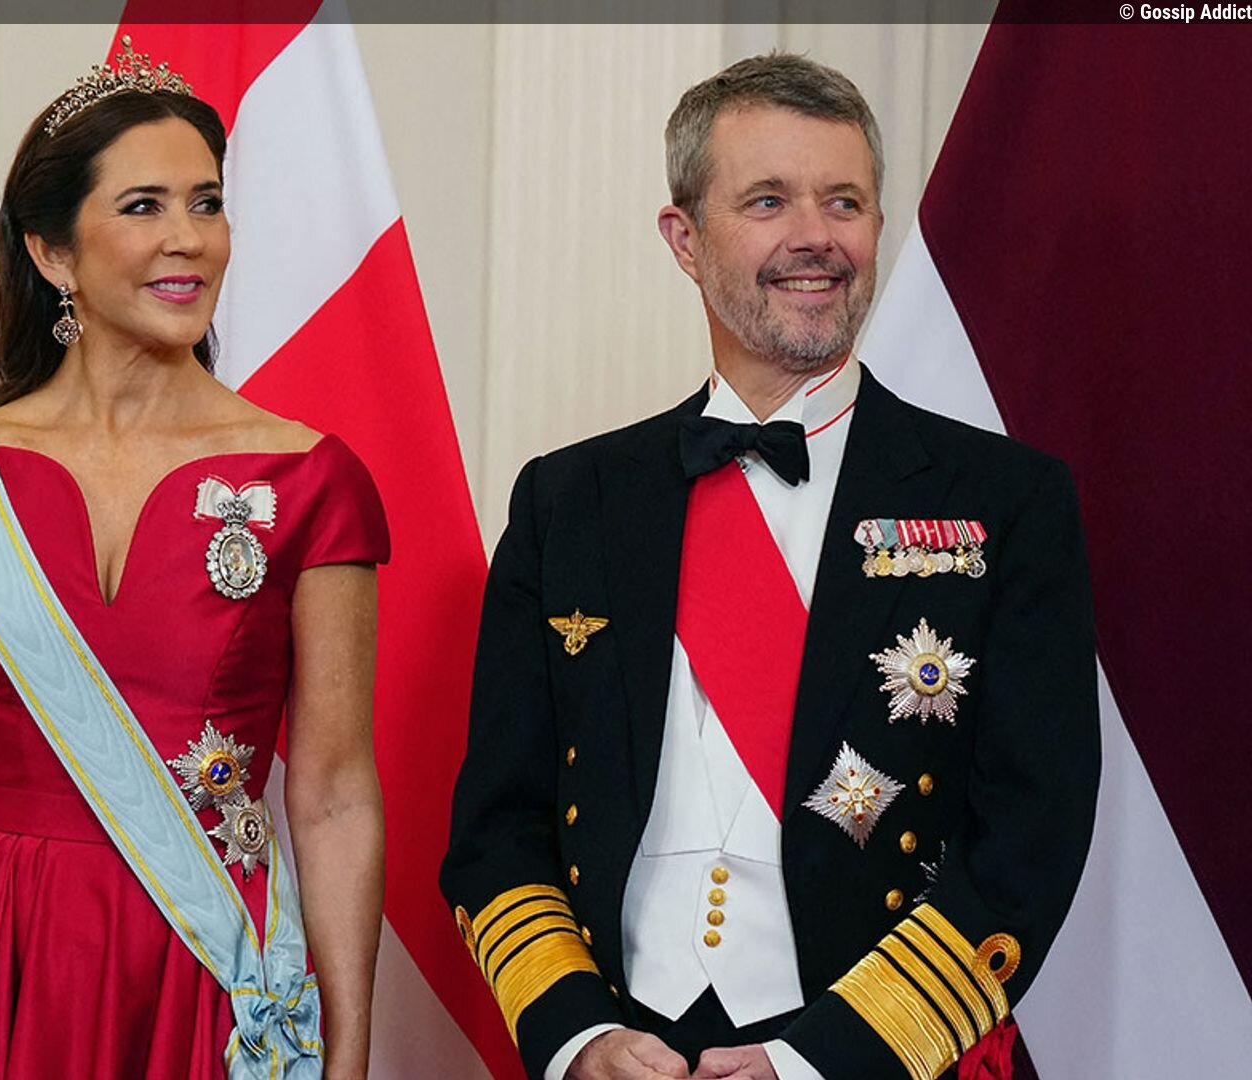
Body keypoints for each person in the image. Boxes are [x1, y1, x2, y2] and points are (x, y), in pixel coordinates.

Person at [440, 54, 1098, 1080]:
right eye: (767, 200)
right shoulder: (568, 500)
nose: (815, 236)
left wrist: (818, 1061)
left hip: (869, 1052)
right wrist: (577, 1035)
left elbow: (1032, 832)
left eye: (845, 201)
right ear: (684, 239)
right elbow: (499, 823)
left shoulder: (1007, 501)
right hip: (627, 1048)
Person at [0, 38, 388, 1080]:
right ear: (52, 252)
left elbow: (333, 795)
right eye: (144, 207)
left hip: (210, 968)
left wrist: (346, 1055)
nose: (189, 239)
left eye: (207, 203)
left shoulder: (312, 479)